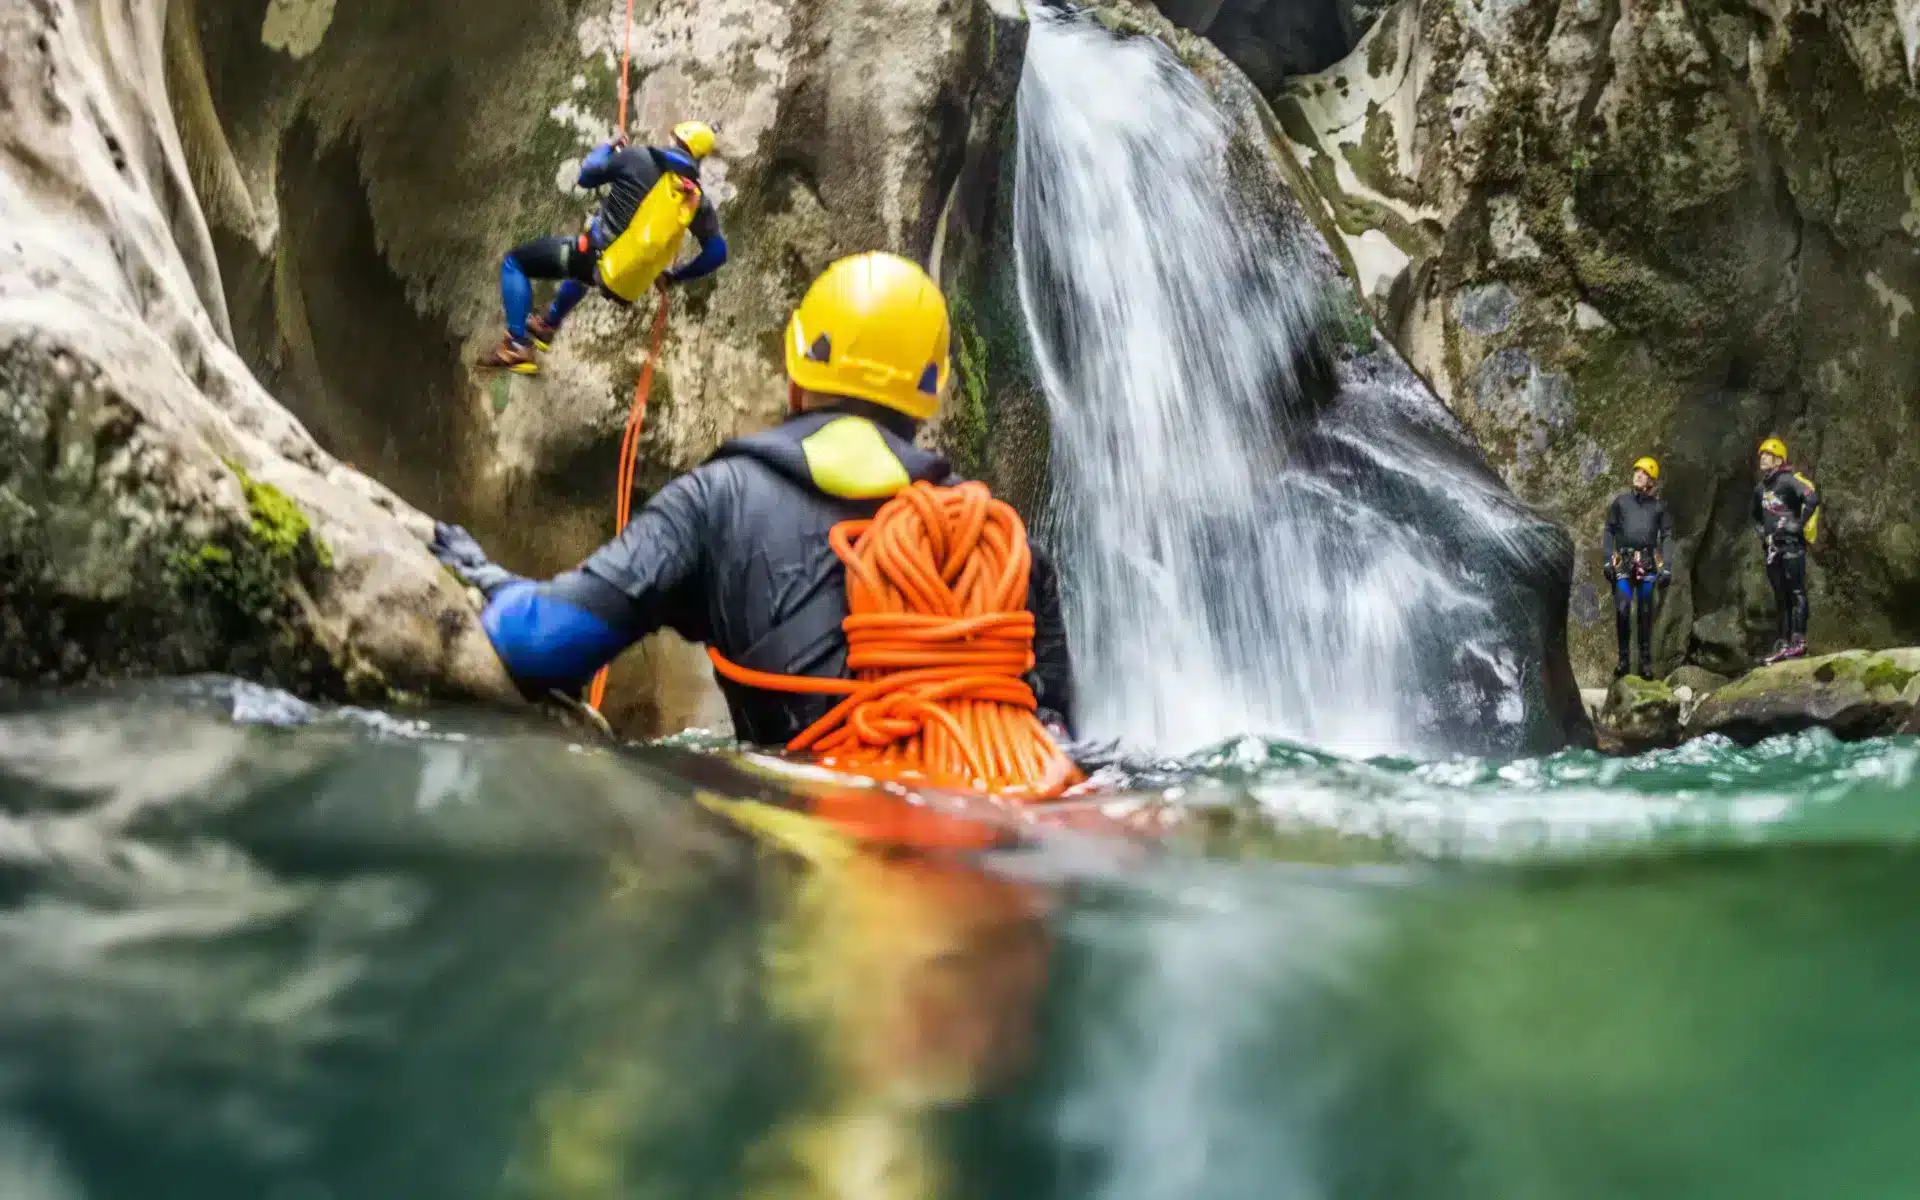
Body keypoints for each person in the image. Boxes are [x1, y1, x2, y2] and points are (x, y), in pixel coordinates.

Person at [436, 251, 1076, 743]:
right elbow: (1058, 734)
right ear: (929, 396)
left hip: (809, 853)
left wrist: (490, 579)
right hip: (990, 852)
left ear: (796, 371)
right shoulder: (1004, 543)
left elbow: (542, 643)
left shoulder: (718, 503)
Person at [478, 120, 729, 374]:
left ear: (678, 140)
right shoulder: (695, 200)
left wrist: (609, 146)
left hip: (593, 254)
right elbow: (717, 252)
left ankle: (517, 346)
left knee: (515, 263)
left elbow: (587, 175)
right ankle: (547, 325)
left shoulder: (638, 158)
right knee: (583, 273)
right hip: (621, 278)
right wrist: (675, 277)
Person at [1751, 436, 1821, 664]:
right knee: (1780, 597)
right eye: (1761, 454)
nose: (1762, 457)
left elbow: (1812, 498)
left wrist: (1798, 525)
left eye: (1767, 455)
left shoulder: (1788, 481)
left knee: (1796, 592)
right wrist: (1763, 535)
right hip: (1773, 549)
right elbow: (1755, 517)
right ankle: (1782, 642)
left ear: (1779, 459)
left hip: (1792, 545)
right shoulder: (1760, 488)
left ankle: (1798, 640)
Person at [1603, 456, 1673, 679]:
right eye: (1636, 471)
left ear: (1651, 480)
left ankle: (1645, 663)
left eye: (1643, 473)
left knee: (1644, 611)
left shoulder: (1659, 508)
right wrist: (1607, 560)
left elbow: (1667, 537)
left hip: (1647, 566)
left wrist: (1666, 567)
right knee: (1622, 609)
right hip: (1623, 564)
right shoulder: (1621, 502)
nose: (1637, 475)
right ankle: (1623, 661)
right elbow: (1609, 531)